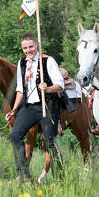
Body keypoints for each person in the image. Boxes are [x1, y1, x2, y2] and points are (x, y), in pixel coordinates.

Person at [6, 33, 65, 182]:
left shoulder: (48, 60)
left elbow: (60, 85)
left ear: (37, 45)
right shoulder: (22, 63)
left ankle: (59, 180)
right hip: (29, 107)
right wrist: (14, 109)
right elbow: (20, 89)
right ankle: (23, 175)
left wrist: (48, 88)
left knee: (50, 142)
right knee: (15, 135)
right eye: (25, 48)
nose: (28, 50)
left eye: (31, 47)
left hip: (48, 106)